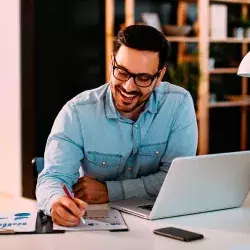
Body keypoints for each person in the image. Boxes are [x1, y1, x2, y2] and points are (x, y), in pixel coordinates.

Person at [36, 24, 198, 227]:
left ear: (160, 76)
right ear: (112, 62)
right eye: (121, 72)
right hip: (96, 224)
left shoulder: (178, 104)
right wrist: (55, 202)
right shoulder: (77, 112)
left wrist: (109, 191)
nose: (129, 86)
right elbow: (52, 178)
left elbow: (175, 179)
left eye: (143, 78)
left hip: (159, 222)